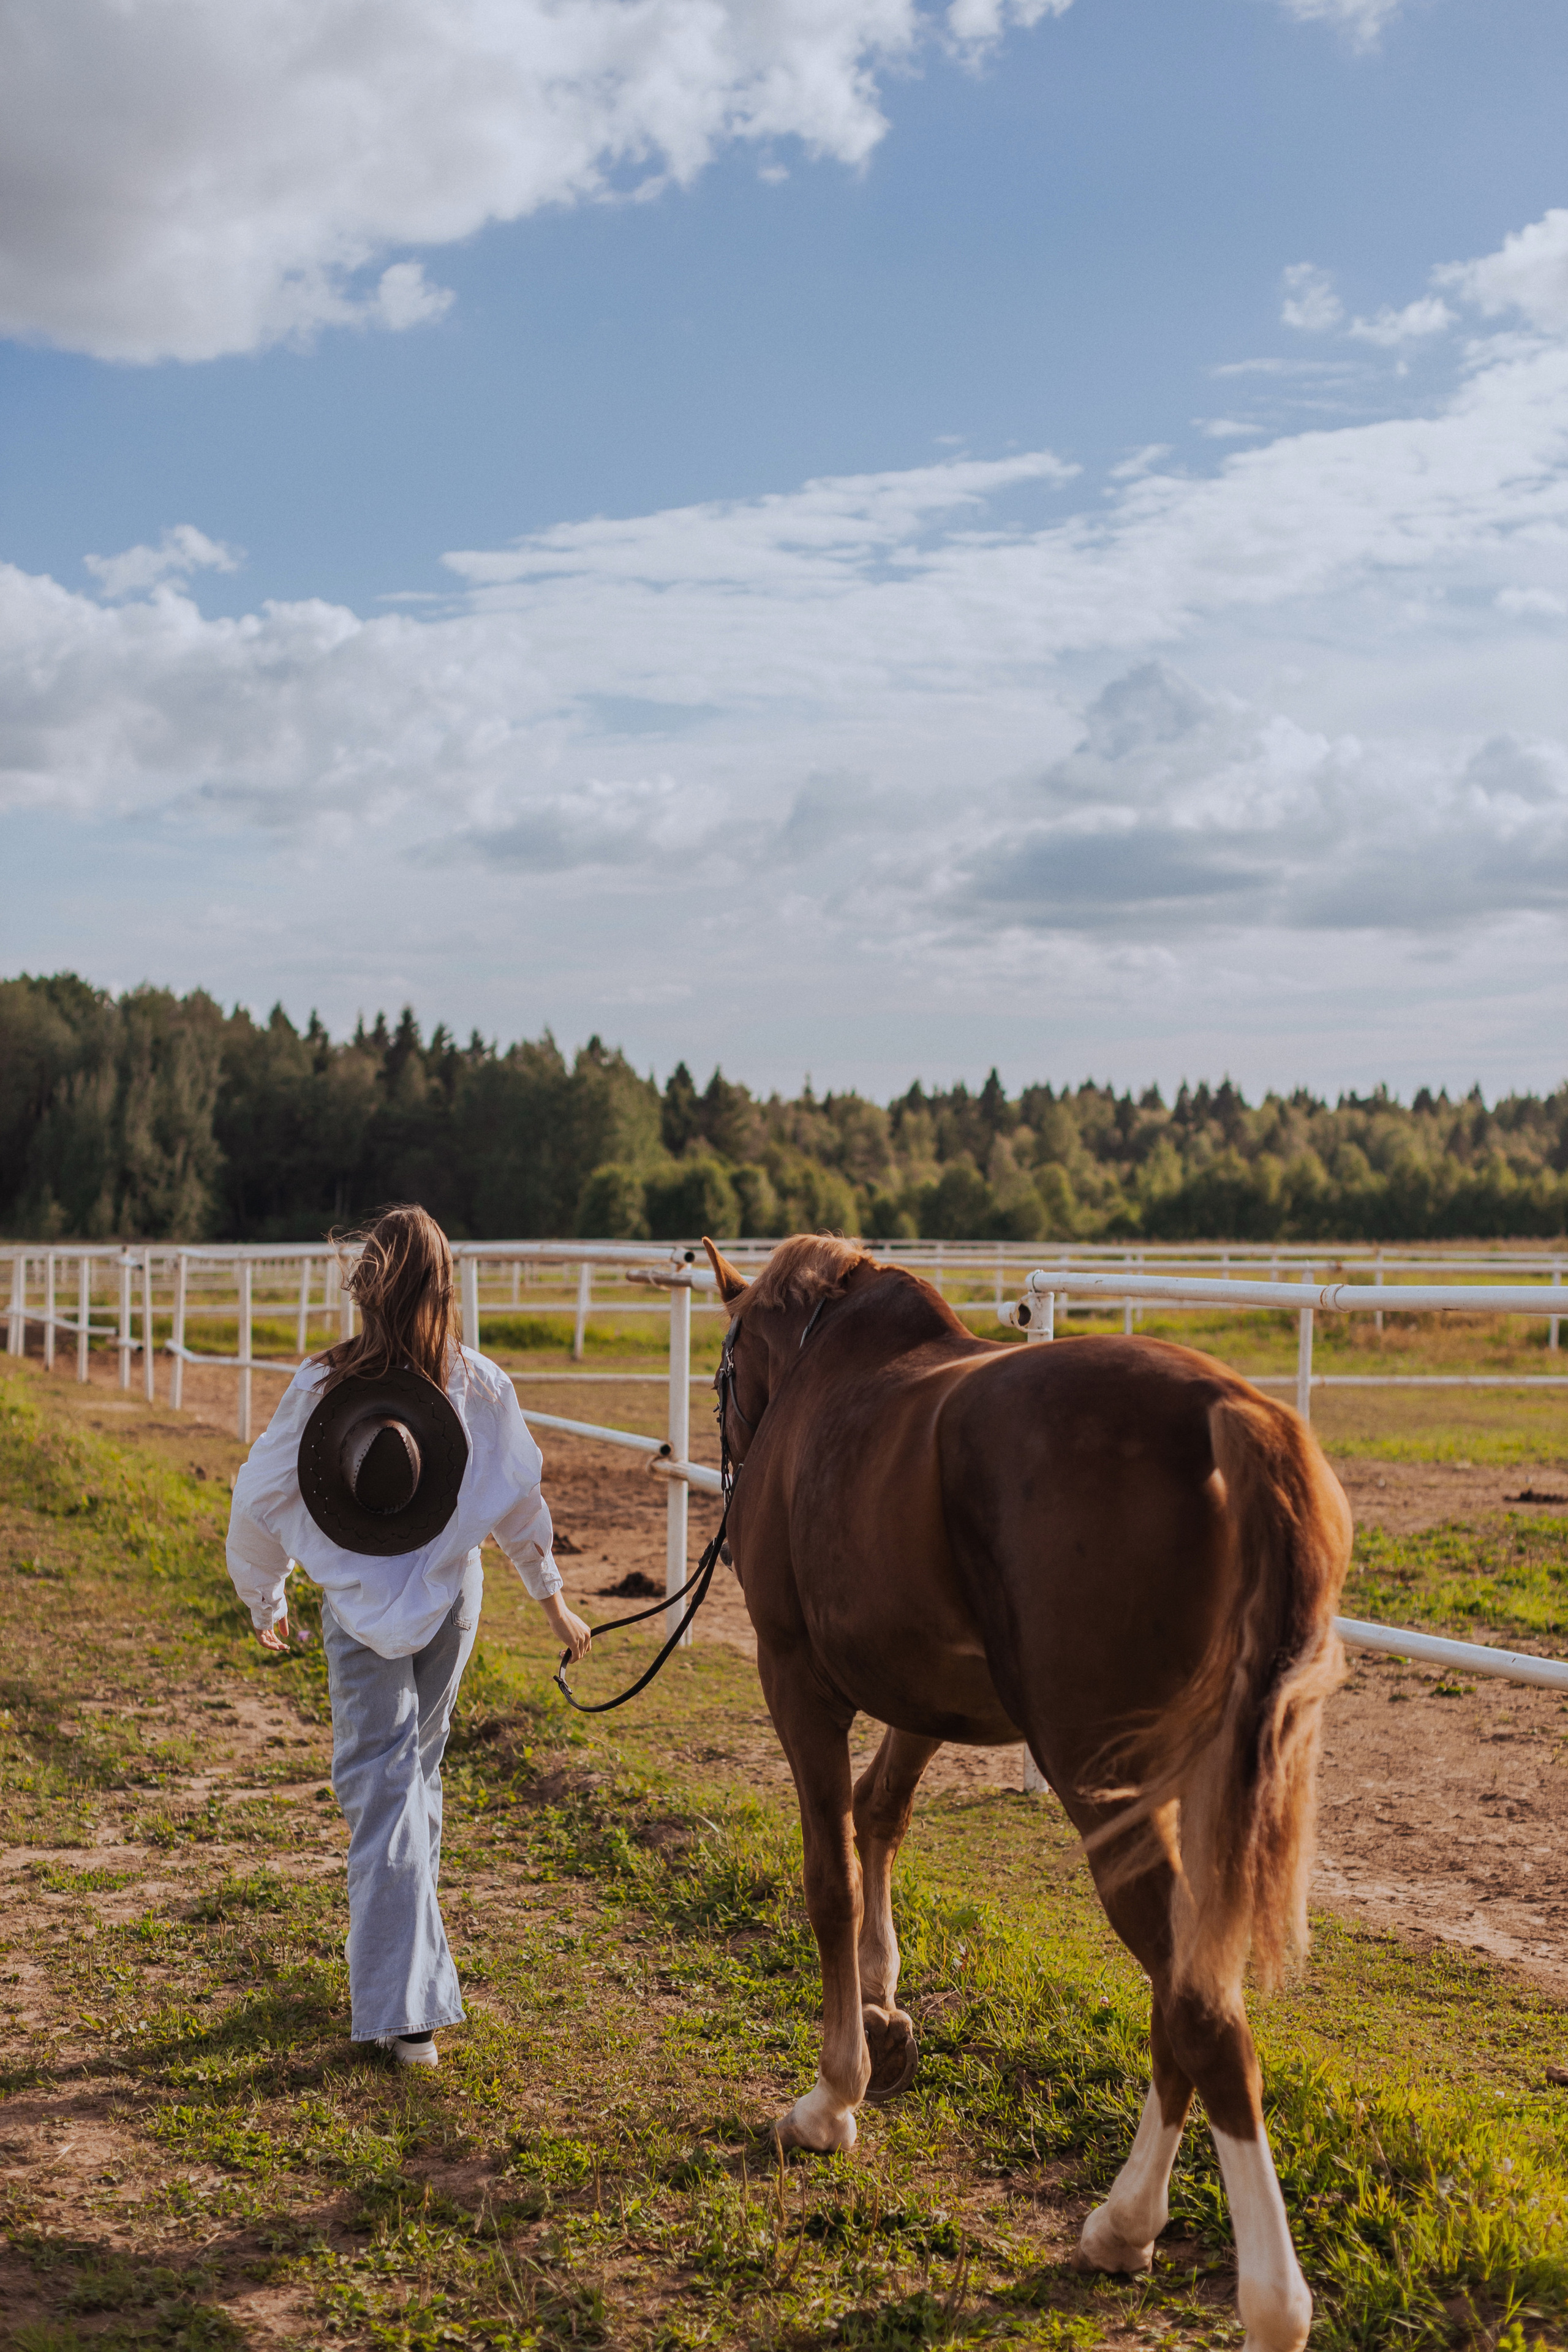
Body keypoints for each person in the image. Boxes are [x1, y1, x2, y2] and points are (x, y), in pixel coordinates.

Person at [224, 1204, 590, 2067]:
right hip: (449, 1605)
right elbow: (519, 1504)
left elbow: (256, 1497)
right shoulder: (479, 1384)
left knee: (386, 1790)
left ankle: (405, 2011)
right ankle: (402, 1985)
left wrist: (264, 1593)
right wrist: (551, 1600)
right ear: (445, 1287)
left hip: (357, 1613)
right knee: (408, 1783)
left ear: (368, 1289)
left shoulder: (323, 1388)